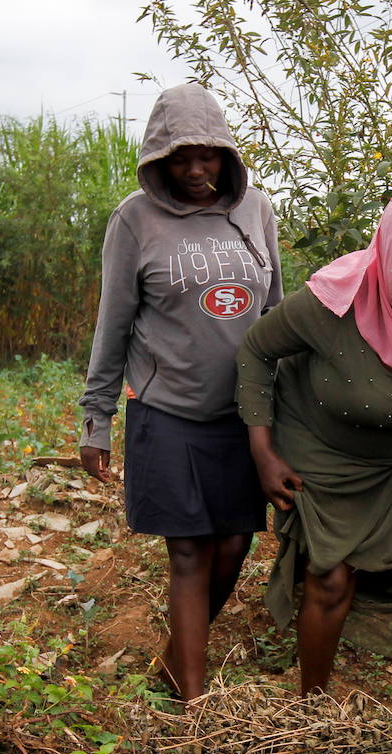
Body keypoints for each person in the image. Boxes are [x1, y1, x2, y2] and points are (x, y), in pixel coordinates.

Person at [235, 188, 392, 699]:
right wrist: (263, 453)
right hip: (325, 451)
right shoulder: (336, 301)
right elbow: (255, 350)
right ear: (383, 257)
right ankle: (313, 707)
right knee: (329, 579)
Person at [78, 83, 283, 702]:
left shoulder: (257, 212)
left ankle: (174, 663)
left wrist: (288, 415)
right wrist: (96, 417)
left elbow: (275, 316)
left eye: (209, 155)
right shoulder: (134, 220)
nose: (196, 170)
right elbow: (113, 322)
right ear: (159, 159)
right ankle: (191, 702)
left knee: (234, 545)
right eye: (181, 158)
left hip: (245, 416)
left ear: (227, 154)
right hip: (166, 411)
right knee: (190, 552)